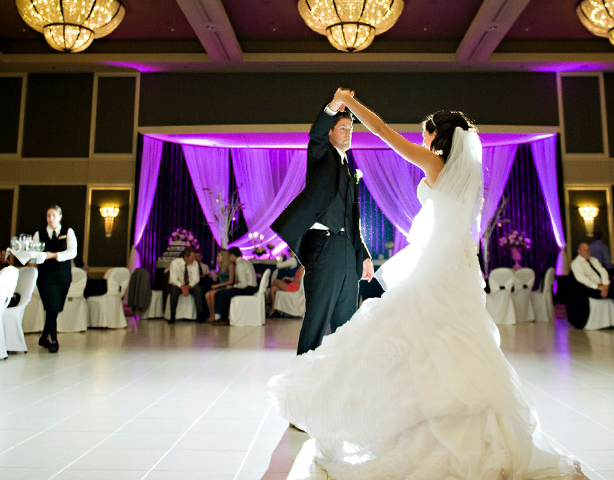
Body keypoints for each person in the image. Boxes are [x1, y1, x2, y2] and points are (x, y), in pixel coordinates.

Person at [269, 89, 583, 479]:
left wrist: (353, 105)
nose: (421, 140)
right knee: (458, 342)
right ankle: (464, 422)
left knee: (408, 336)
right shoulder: (468, 177)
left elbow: (382, 130)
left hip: (438, 266)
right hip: (462, 268)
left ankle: (395, 415)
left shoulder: (436, 164)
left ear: (438, 137)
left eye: (425, 134)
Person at [271, 93, 373, 355]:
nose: (349, 133)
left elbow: (353, 219)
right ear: (330, 133)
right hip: (324, 245)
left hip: (347, 250)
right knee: (318, 317)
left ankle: (340, 379)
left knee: (347, 321)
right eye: (342, 128)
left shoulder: (349, 168)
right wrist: (332, 106)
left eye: (351, 129)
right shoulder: (321, 155)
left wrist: (363, 256)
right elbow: (315, 134)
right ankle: (304, 377)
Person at [33, 205, 77, 353]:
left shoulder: (68, 232)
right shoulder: (39, 234)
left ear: (60, 216)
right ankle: (54, 340)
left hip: (63, 275)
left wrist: (54, 255)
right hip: (45, 276)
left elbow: (72, 252)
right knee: (51, 307)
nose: (50, 218)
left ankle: (43, 337)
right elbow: (35, 254)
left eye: (53, 215)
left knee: (56, 308)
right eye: (48, 216)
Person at [211, 247, 257, 325]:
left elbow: (243, 284)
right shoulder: (246, 262)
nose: (228, 258)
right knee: (226, 292)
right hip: (252, 288)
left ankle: (223, 319)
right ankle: (223, 317)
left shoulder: (239, 265)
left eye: (229, 256)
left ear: (232, 255)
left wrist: (233, 286)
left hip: (247, 289)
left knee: (220, 294)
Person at [166, 247, 202, 324]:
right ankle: (172, 316)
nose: (194, 259)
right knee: (173, 290)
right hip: (178, 285)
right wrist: (182, 287)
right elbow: (173, 279)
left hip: (189, 285)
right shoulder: (175, 263)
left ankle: (199, 315)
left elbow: (196, 279)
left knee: (198, 289)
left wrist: (188, 287)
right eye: (192, 257)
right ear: (186, 257)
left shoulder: (195, 264)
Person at [205, 250, 235, 323]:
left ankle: (215, 315)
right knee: (207, 295)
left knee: (212, 294)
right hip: (221, 286)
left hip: (227, 286)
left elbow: (231, 281)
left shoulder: (231, 266)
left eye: (219, 256)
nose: (217, 257)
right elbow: (220, 272)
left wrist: (218, 285)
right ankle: (212, 313)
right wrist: (215, 273)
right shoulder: (221, 265)